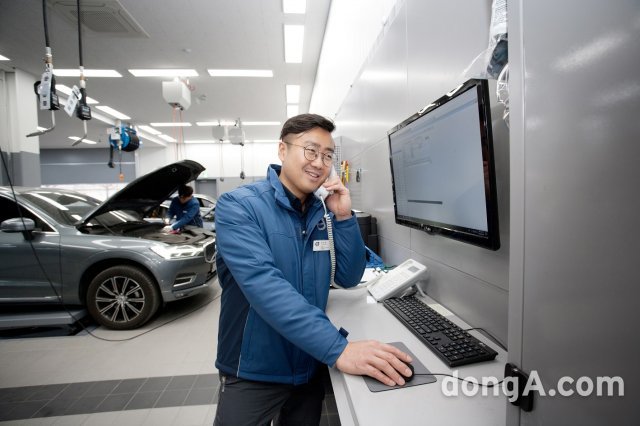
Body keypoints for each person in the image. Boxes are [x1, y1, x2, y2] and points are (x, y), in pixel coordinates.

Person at [213, 113, 413, 426]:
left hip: (309, 362)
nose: (319, 163)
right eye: (310, 150)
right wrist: (338, 349)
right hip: (254, 370)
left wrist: (343, 218)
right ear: (282, 150)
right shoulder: (240, 206)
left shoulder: (320, 212)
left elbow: (348, 277)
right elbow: (265, 286)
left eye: (328, 155)